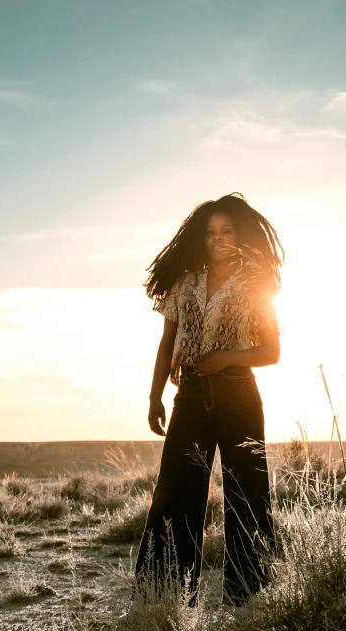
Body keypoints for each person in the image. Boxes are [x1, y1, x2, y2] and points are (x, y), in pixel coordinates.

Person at [133, 193, 283, 609]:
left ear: (241, 233)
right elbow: (167, 344)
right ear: (200, 238)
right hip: (191, 397)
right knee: (174, 492)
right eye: (210, 232)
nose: (218, 238)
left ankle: (250, 598)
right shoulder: (184, 283)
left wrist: (227, 358)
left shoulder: (257, 283)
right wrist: (154, 396)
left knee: (247, 495)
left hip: (239, 395)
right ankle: (166, 598)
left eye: (226, 230)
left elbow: (272, 352)